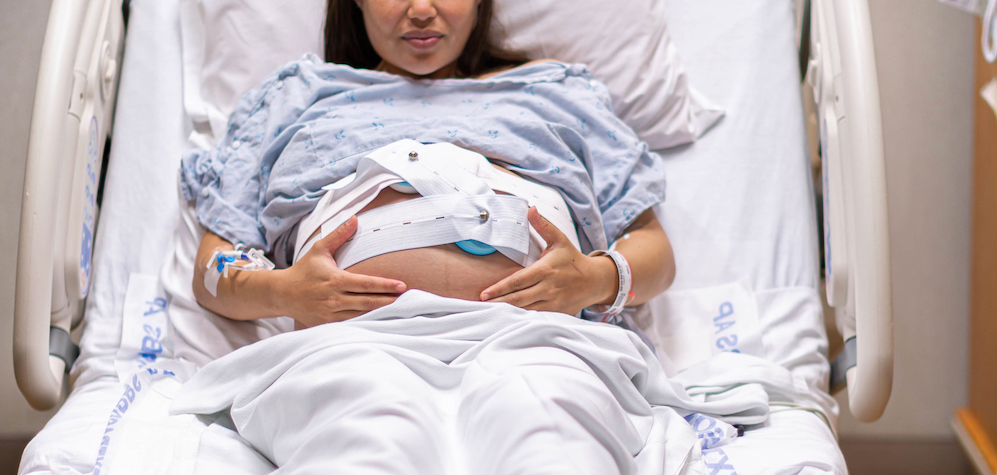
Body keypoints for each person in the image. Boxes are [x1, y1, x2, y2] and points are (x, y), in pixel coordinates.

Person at [183, 0, 675, 329]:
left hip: (538, 348)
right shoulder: (296, 97)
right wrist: (283, 293)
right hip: (349, 353)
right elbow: (214, 264)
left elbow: (653, 250)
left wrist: (594, 280)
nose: (421, 10)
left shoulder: (555, 95)